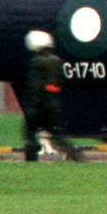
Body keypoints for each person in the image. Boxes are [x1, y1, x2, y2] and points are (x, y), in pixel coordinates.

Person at [22, 31, 84, 161]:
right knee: (56, 135)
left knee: (30, 134)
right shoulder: (57, 61)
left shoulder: (36, 62)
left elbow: (35, 86)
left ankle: (31, 160)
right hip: (53, 103)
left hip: (38, 105)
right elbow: (60, 83)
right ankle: (75, 154)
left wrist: (34, 104)